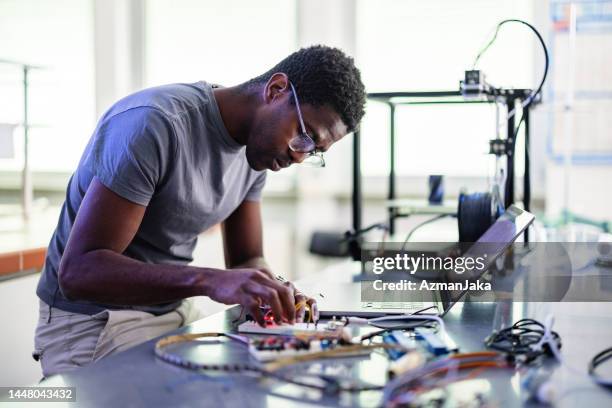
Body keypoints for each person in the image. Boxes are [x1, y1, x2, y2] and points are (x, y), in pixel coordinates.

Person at [33, 45, 366, 377]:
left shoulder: (259, 152)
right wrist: (207, 279)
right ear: (276, 90)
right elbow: (78, 273)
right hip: (92, 321)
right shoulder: (156, 124)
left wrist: (275, 286)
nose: (298, 157)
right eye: (305, 137)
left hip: (171, 311)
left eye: (314, 152)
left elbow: (247, 259)